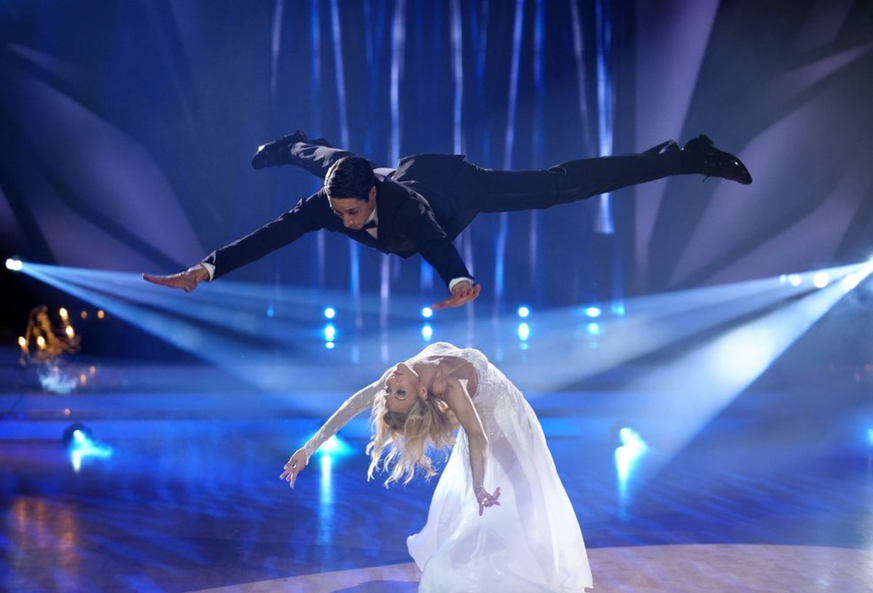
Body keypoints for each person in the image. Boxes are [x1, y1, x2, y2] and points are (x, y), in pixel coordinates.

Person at [143, 131, 751, 310]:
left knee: (559, 187)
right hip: (380, 171)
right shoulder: (331, 205)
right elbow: (270, 236)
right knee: (319, 158)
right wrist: (206, 268)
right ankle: (292, 142)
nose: (346, 224)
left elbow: (432, 240)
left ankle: (678, 158)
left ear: (374, 198)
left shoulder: (402, 206)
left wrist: (457, 280)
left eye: (352, 214)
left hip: (452, 190)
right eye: (339, 213)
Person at [280, 341, 594, 592]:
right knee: (520, 490)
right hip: (493, 423)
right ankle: (542, 573)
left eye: (391, 392)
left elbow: (353, 404)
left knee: (528, 488)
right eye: (397, 392)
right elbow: (477, 435)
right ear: (423, 393)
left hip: (510, 406)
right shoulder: (448, 383)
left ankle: (544, 565)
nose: (391, 385)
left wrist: (309, 448)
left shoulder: (399, 377)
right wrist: (479, 485)